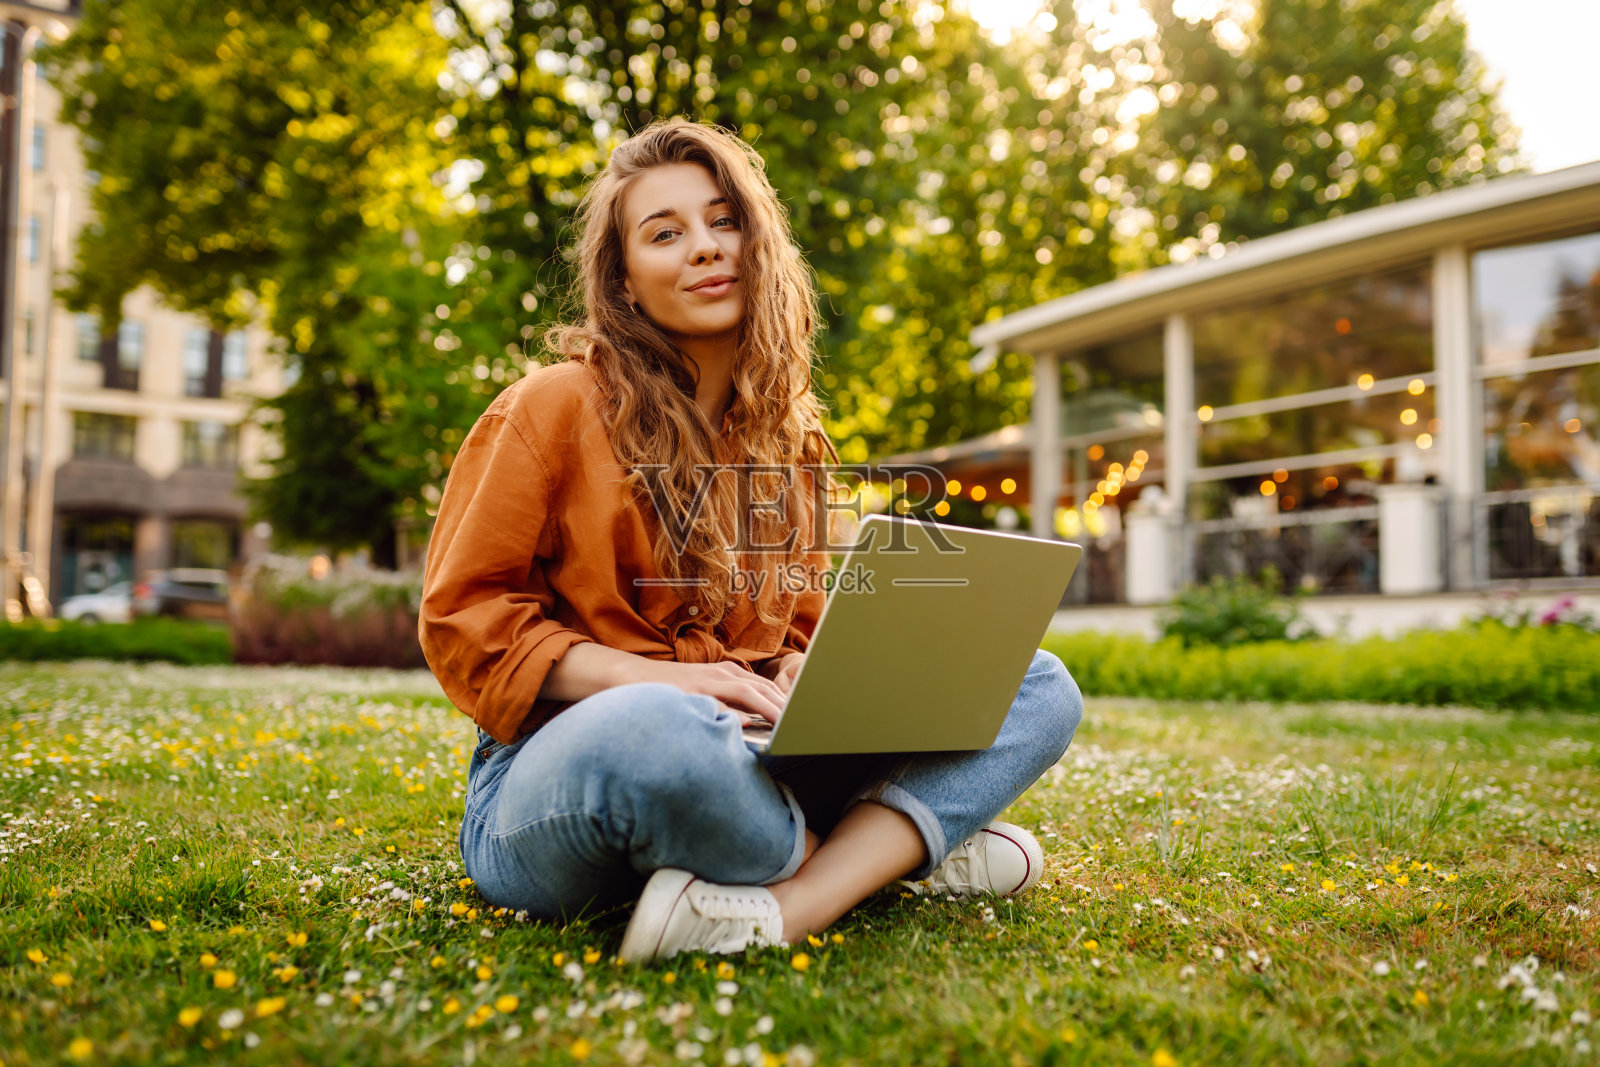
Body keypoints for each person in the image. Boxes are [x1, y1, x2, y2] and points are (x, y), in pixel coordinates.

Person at [418, 118, 1084, 962]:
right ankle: (886, 855)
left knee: (1038, 683)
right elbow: (463, 621)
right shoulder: (549, 405)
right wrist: (671, 681)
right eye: (665, 233)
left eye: (723, 219)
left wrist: (806, 670)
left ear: (758, 241)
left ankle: (793, 902)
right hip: (574, 772)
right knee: (657, 727)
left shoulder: (792, 446)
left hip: (756, 760)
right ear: (624, 281)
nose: (704, 247)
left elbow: (796, 637)